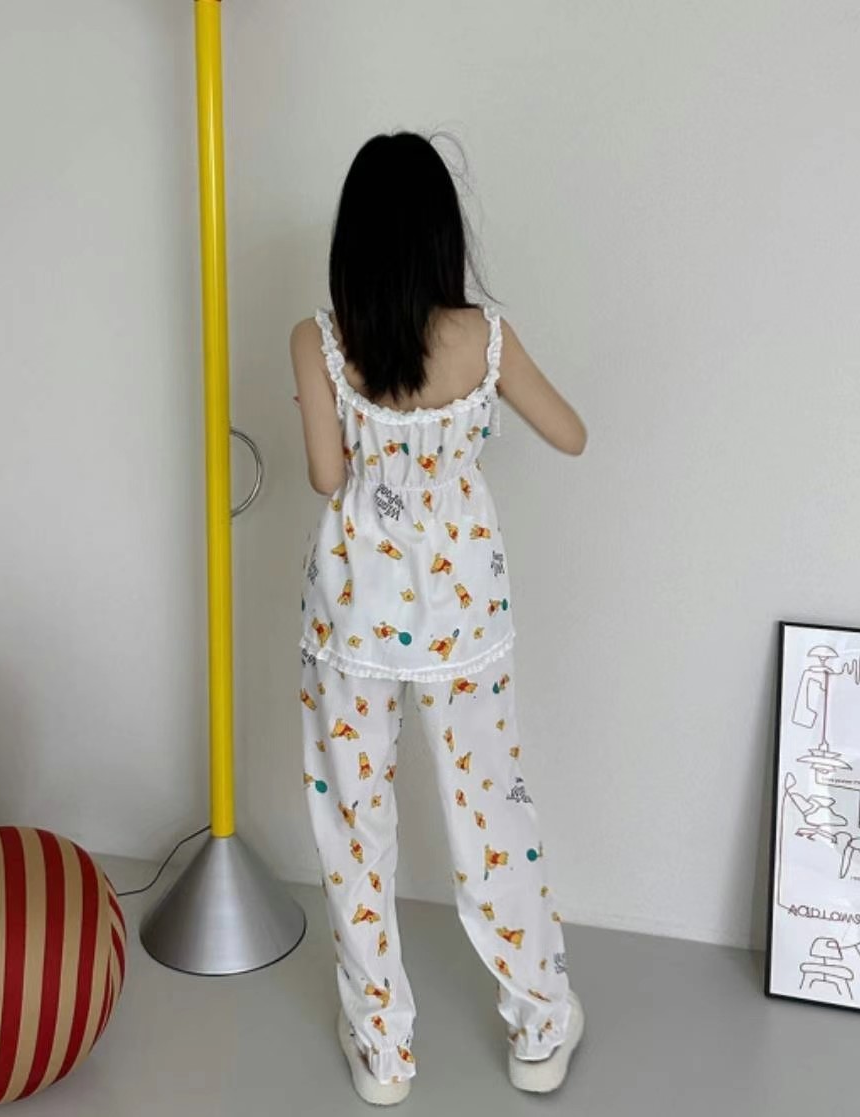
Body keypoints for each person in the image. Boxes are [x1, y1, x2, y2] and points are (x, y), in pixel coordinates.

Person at [290, 132, 587, 1105]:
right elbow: (570, 434)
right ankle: (538, 1025)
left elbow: (326, 475)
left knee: (353, 827)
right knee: (490, 812)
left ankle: (382, 1049)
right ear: (439, 236)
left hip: (354, 621)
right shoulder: (484, 339)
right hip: (462, 619)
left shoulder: (318, 341)